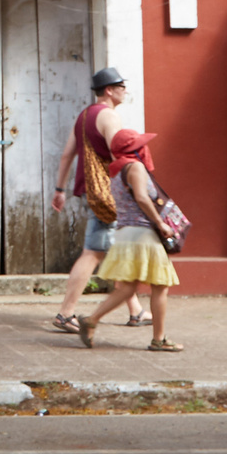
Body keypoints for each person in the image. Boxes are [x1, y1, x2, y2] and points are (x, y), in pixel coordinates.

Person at [47, 68, 143, 334]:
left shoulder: (84, 116)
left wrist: (60, 189)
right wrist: (135, 189)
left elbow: (67, 154)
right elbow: (119, 156)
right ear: (109, 90)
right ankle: (65, 313)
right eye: (121, 87)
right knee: (93, 252)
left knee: (113, 248)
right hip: (106, 194)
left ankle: (135, 310)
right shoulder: (109, 116)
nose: (125, 91)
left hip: (90, 191)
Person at [71, 127, 183, 351]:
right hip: (142, 234)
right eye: (141, 145)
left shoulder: (116, 171)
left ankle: (91, 320)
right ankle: (159, 340)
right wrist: (160, 223)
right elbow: (141, 197)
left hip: (125, 234)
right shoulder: (135, 167)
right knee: (160, 286)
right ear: (135, 149)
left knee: (127, 288)